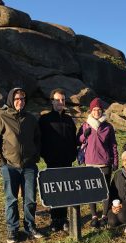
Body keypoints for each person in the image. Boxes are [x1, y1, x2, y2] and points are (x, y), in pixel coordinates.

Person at [0, 87, 42, 243]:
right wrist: (1, 163)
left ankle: (30, 227)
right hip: (10, 166)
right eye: (17, 99)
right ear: (11, 100)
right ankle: (12, 230)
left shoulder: (31, 119)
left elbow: (37, 139)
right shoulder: (1, 117)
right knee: (11, 199)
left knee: (30, 199)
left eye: (23, 99)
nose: (20, 102)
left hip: (29, 166)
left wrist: (35, 156)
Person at [39, 88, 77, 232]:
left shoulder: (69, 120)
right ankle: (55, 220)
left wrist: (73, 155)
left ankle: (64, 219)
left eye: (63, 99)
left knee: (66, 190)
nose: (61, 102)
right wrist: (46, 155)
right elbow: (39, 140)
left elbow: (73, 139)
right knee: (55, 191)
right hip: (52, 162)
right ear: (52, 101)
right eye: (58, 100)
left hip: (67, 161)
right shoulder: (45, 120)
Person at [77, 97, 118, 228]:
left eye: (99, 109)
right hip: (90, 163)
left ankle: (104, 215)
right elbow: (78, 140)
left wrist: (115, 160)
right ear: (91, 111)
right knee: (91, 190)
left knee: (105, 190)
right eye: (94, 109)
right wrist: (85, 135)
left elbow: (113, 145)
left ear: (102, 111)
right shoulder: (85, 125)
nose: (97, 112)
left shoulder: (108, 127)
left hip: (104, 163)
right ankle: (94, 216)